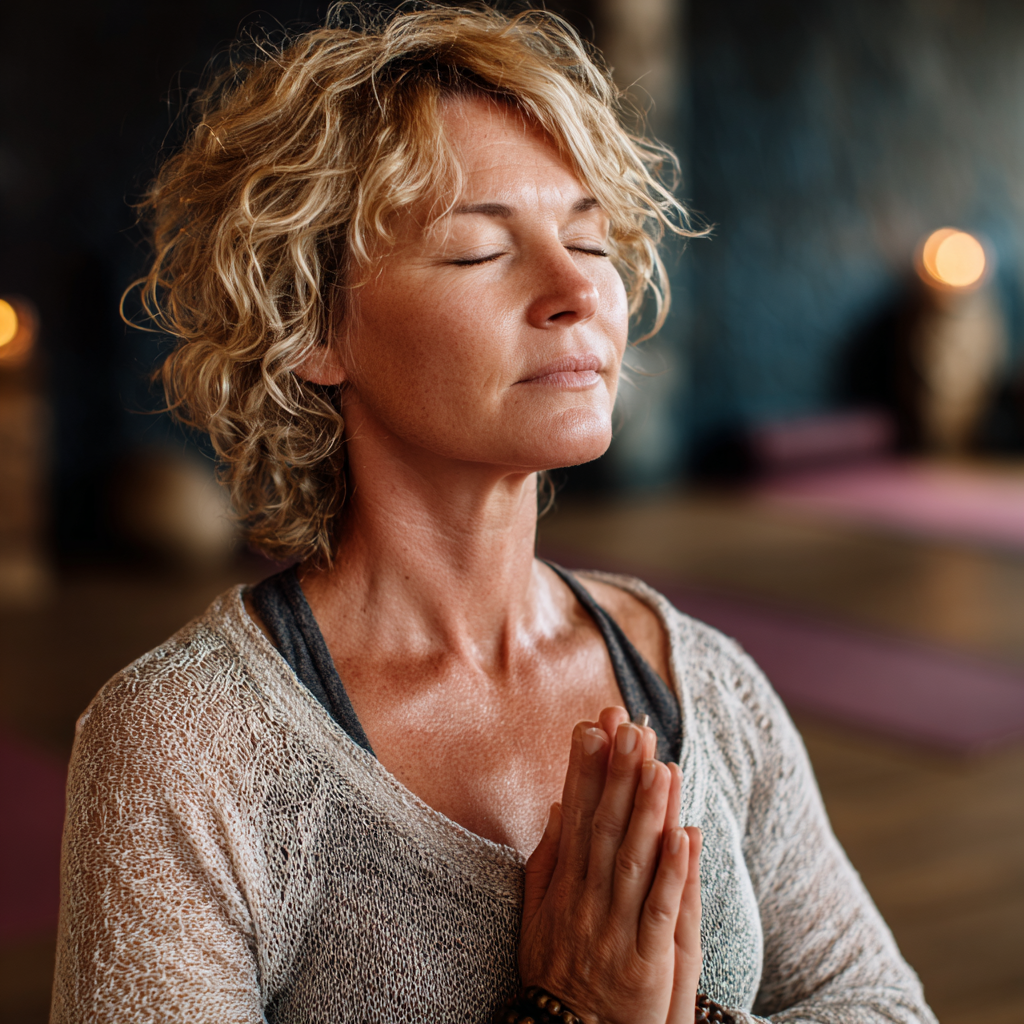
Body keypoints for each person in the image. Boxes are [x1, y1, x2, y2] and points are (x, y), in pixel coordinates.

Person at [51, 7, 937, 1024]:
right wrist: (562, 1013)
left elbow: (876, 1004)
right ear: (311, 325)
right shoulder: (185, 744)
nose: (574, 291)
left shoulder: (709, 686)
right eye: (479, 252)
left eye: (589, 238)